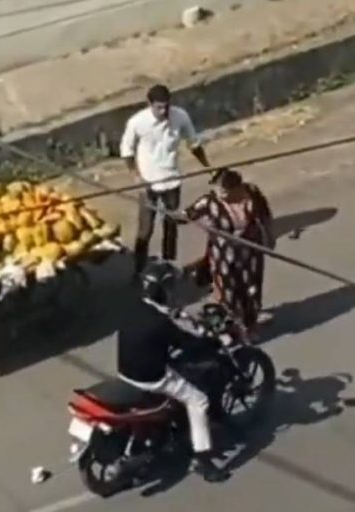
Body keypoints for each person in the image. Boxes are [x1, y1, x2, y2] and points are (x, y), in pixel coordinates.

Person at [117, 261, 230, 483]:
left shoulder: (134, 307)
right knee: (198, 401)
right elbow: (188, 341)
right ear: (162, 291)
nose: (174, 292)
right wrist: (211, 336)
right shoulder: (162, 322)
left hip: (125, 370)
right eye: (170, 288)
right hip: (152, 377)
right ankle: (204, 461)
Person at [120, 84, 210, 279]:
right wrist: (136, 177)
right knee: (145, 229)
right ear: (149, 104)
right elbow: (126, 151)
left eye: (166, 107)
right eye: (159, 107)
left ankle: (168, 264)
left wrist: (207, 166)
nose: (163, 111)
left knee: (171, 224)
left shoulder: (180, 116)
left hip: (172, 181)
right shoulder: (137, 122)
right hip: (148, 184)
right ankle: (139, 269)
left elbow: (193, 143)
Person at [182, 168, 275, 340]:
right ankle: (232, 327)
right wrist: (171, 214)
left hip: (250, 252)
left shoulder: (251, 193)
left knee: (251, 290)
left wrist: (270, 238)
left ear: (236, 188)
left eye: (223, 191)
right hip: (223, 254)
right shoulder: (209, 201)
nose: (219, 193)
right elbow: (186, 215)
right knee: (228, 292)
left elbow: (265, 216)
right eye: (216, 189)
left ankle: (250, 324)